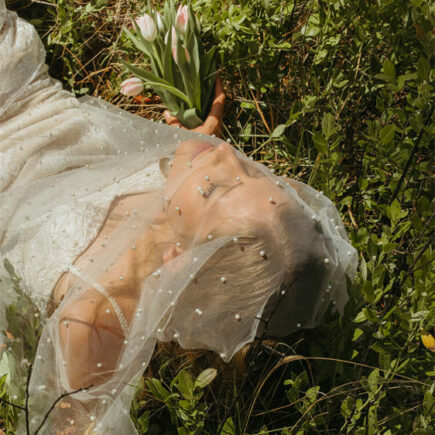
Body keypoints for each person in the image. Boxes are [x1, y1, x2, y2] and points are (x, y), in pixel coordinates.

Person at [0, 2, 358, 434]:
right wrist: (198, 151)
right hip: (33, 99)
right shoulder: (180, 197)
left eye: (215, 188)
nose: (226, 156)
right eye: (254, 172)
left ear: (178, 258)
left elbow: (68, 423)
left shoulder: (93, 323)